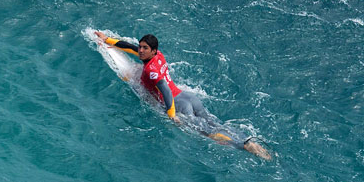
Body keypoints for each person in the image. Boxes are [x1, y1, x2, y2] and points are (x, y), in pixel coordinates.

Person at [94, 31, 272, 160]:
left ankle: (241, 146)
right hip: (189, 97)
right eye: (140, 47)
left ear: (152, 50)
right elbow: (131, 48)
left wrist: (172, 116)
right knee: (214, 123)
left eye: (144, 48)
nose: (140, 50)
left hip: (179, 104)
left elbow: (164, 90)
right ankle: (246, 139)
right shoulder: (158, 55)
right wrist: (108, 40)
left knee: (206, 132)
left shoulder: (150, 70)